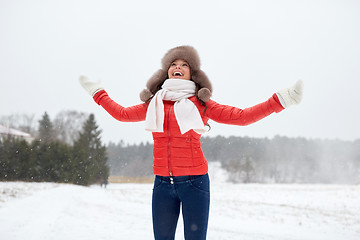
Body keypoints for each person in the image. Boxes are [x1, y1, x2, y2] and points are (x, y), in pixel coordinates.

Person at [79, 45, 303, 240]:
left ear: (192, 74)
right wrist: (97, 92)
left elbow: (242, 117)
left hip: (195, 184)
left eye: (184, 64)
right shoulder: (154, 103)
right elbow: (121, 114)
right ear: (166, 70)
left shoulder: (201, 104)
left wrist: (281, 100)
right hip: (162, 185)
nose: (178, 66)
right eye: (173, 63)